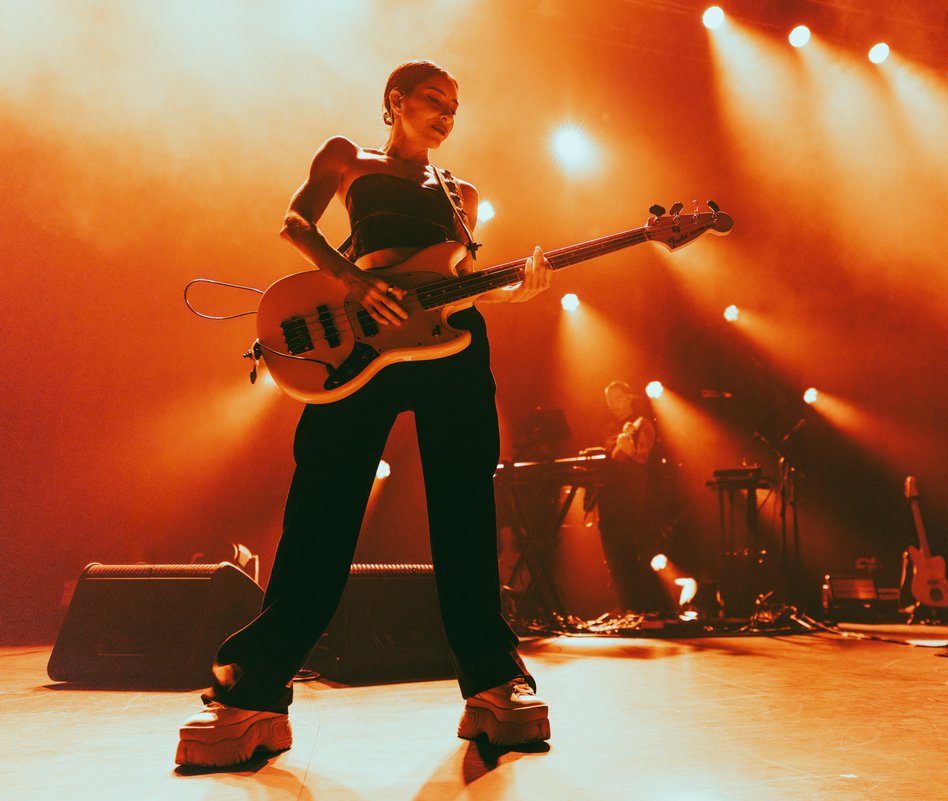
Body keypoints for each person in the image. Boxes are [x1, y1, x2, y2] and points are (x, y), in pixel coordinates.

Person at [176, 60, 552, 768]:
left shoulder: (460, 190)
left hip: (451, 346)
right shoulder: (348, 158)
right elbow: (294, 221)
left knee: (465, 504)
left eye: (455, 104)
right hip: (357, 343)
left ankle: (494, 682)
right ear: (395, 101)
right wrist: (353, 278)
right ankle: (255, 687)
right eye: (433, 99)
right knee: (323, 503)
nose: (447, 112)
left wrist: (516, 291)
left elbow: (463, 282)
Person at [594, 380, 665, 612]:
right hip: (609, 499)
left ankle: (649, 609)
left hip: (633, 497)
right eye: (609, 401)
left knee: (635, 552)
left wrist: (628, 448)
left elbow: (642, 458)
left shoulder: (641, 423)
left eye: (617, 398)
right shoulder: (606, 429)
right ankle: (626, 608)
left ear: (629, 397)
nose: (613, 404)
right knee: (614, 556)